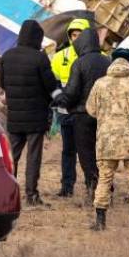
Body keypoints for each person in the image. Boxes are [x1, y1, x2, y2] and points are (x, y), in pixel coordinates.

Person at [85, 47, 129, 230]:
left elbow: (91, 110)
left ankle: (100, 221)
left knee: (104, 178)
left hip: (107, 141)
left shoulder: (100, 84)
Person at [0, 19, 62, 206]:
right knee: (33, 156)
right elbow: (50, 84)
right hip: (36, 116)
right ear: (37, 38)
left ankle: (8, 195)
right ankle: (31, 195)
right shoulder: (39, 58)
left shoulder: (8, 56)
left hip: (15, 116)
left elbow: (2, 83)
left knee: (12, 156)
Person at [59, 29, 110, 206]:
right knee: (102, 154)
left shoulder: (79, 63)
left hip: (82, 115)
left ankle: (93, 187)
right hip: (105, 115)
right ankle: (107, 187)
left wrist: (61, 102)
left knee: (86, 154)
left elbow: (72, 91)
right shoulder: (107, 61)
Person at [50, 18, 89, 198]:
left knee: (89, 150)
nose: (76, 38)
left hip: (87, 112)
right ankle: (67, 186)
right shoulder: (60, 56)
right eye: (73, 35)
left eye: (80, 35)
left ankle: (93, 183)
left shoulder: (98, 57)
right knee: (68, 150)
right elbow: (53, 82)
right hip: (66, 111)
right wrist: (59, 100)